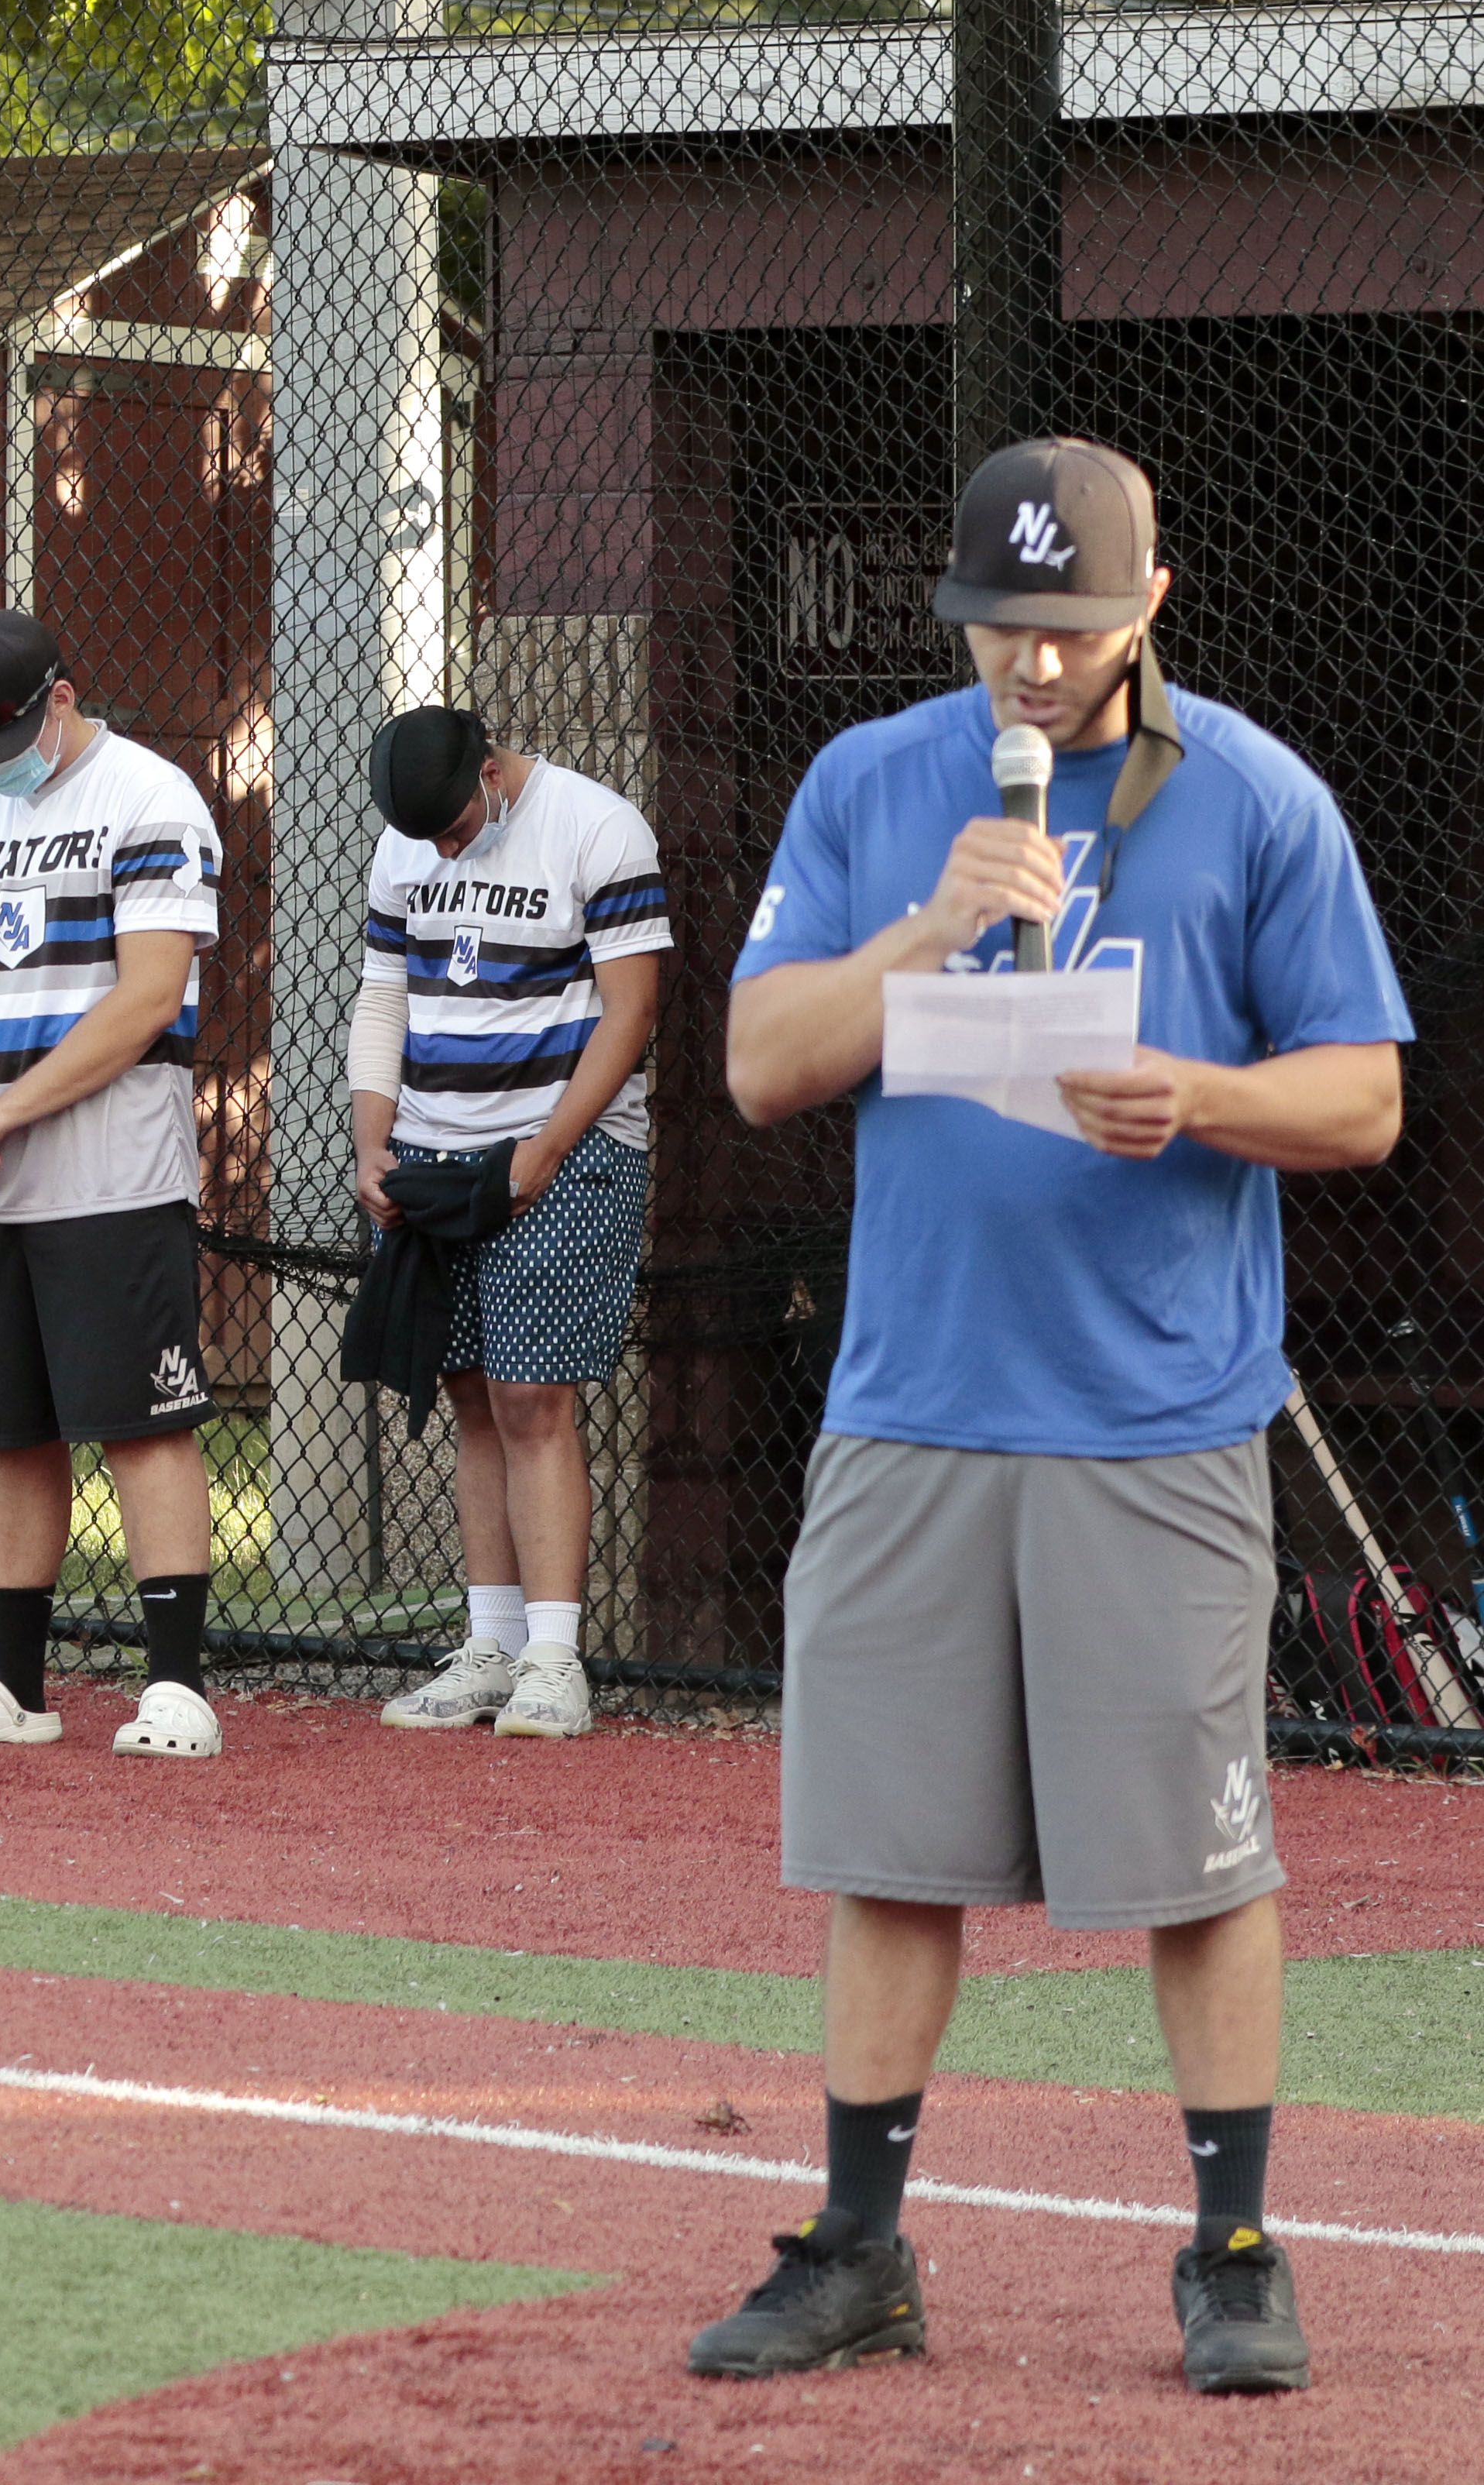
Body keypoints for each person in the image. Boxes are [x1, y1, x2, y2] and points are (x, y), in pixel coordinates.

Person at [693, 438, 1404, 2395]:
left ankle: (1237, 2252)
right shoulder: (870, 787)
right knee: (891, 1852)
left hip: (1155, 1414)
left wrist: (1200, 1094)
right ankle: (856, 2249)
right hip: (915, 1403)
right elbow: (762, 1061)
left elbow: (1363, 1099)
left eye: (1072, 627)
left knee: (1197, 1866)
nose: (1033, 666)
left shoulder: (1254, 798)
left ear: (1147, 606)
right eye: (1001, 627)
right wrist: (926, 928)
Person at [0, 609, 228, 1760]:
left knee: (139, 1425)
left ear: (62, 700)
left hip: (112, 1172)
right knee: (6, 1430)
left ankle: (175, 1685)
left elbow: (143, 1000)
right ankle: (12, 1685)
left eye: (11, 738)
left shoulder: (151, 798)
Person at [352, 703, 672, 1742]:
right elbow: (383, 997)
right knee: (470, 1396)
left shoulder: (597, 827)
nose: (444, 849)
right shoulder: (405, 846)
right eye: (428, 840)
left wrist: (541, 1155)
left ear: (491, 772)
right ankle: (488, 1647)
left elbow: (630, 1010)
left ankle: (551, 1658)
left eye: (454, 827)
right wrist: (374, 1138)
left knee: (534, 1395)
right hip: (434, 1151)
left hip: (563, 1149)